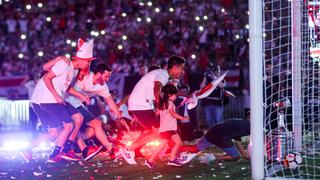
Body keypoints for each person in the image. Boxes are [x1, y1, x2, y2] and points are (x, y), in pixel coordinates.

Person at [19, 53, 92, 163]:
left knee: (60, 129)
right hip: (47, 100)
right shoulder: (65, 63)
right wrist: (58, 58)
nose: (89, 64)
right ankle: (57, 154)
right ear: (80, 60)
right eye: (88, 61)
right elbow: (46, 77)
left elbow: (66, 87)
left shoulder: (74, 70)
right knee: (69, 125)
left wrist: (80, 95)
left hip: (46, 100)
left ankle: (27, 149)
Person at [65, 63, 132, 162]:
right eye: (106, 76)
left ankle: (78, 145)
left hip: (79, 105)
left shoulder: (102, 86)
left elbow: (110, 101)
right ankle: (111, 150)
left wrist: (120, 117)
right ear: (99, 74)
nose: (108, 79)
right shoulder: (85, 75)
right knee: (96, 123)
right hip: (68, 101)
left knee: (91, 131)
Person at [125, 55, 186, 161]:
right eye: (181, 68)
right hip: (140, 104)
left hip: (141, 103)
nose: (182, 71)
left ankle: (175, 152)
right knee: (157, 131)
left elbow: (169, 92)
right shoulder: (163, 75)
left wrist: (188, 96)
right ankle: (128, 149)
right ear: (175, 68)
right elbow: (157, 87)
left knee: (156, 130)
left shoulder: (163, 75)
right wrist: (160, 104)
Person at [144, 84, 189, 168]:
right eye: (175, 95)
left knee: (164, 144)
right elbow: (173, 113)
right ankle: (172, 160)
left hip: (165, 128)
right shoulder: (170, 103)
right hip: (169, 128)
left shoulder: (163, 104)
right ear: (169, 95)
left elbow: (157, 113)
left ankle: (150, 160)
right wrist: (182, 117)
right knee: (178, 142)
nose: (176, 97)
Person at [178, 113, 250, 164]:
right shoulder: (248, 127)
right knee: (235, 156)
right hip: (221, 137)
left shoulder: (240, 122)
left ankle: (176, 149)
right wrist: (244, 154)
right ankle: (213, 158)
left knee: (195, 148)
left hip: (212, 131)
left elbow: (237, 139)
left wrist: (243, 153)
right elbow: (238, 141)